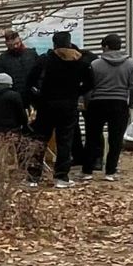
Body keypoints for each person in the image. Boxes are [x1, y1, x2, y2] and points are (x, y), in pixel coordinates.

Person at [27, 30, 93, 188]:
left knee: (40, 140)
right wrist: (76, 93)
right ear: (69, 43)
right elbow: (90, 83)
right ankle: (61, 177)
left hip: (46, 105)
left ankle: (33, 177)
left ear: (54, 44)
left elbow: (30, 81)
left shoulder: (45, 60)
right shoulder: (80, 61)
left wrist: (37, 98)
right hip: (68, 106)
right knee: (65, 141)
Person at [83, 34, 133, 181]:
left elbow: (89, 88)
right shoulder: (131, 64)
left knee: (92, 138)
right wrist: (131, 105)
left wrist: (88, 104)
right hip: (119, 104)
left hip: (97, 103)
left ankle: (87, 171)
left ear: (106, 46)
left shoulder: (95, 64)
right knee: (116, 139)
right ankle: (110, 172)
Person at [0, 28, 42, 99]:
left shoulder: (32, 54)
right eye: (12, 45)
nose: (15, 46)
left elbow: (41, 73)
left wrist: (38, 88)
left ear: (20, 40)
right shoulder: (1, 60)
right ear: (6, 44)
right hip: (12, 97)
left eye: (17, 43)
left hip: (33, 96)